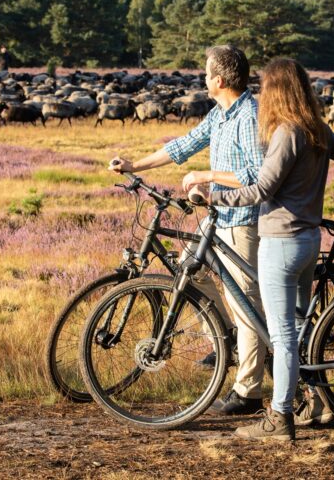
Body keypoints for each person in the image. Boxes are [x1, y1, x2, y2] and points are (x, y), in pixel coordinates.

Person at [188, 58, 334, 441]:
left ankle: (280, 418)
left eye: (266, 87)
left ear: (276, 90)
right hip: (308, 241)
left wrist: (214, 196)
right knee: (299, 331)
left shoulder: (287, 132)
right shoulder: (317, 128)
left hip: (281, 244)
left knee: (283, 336)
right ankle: (312, 406)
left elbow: (262, 189)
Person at [109, 44, 269, 415]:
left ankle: (248, 391)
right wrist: (135, 165)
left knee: (246, 304)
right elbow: (184, 146)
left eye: (207, 73)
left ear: (220, 79)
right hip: (219, 219)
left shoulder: (248, 116)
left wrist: (207, 178)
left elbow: (257, 174)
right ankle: (228, 339)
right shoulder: (221, 115)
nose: (204, 79)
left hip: (244, 220)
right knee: (189, 271)